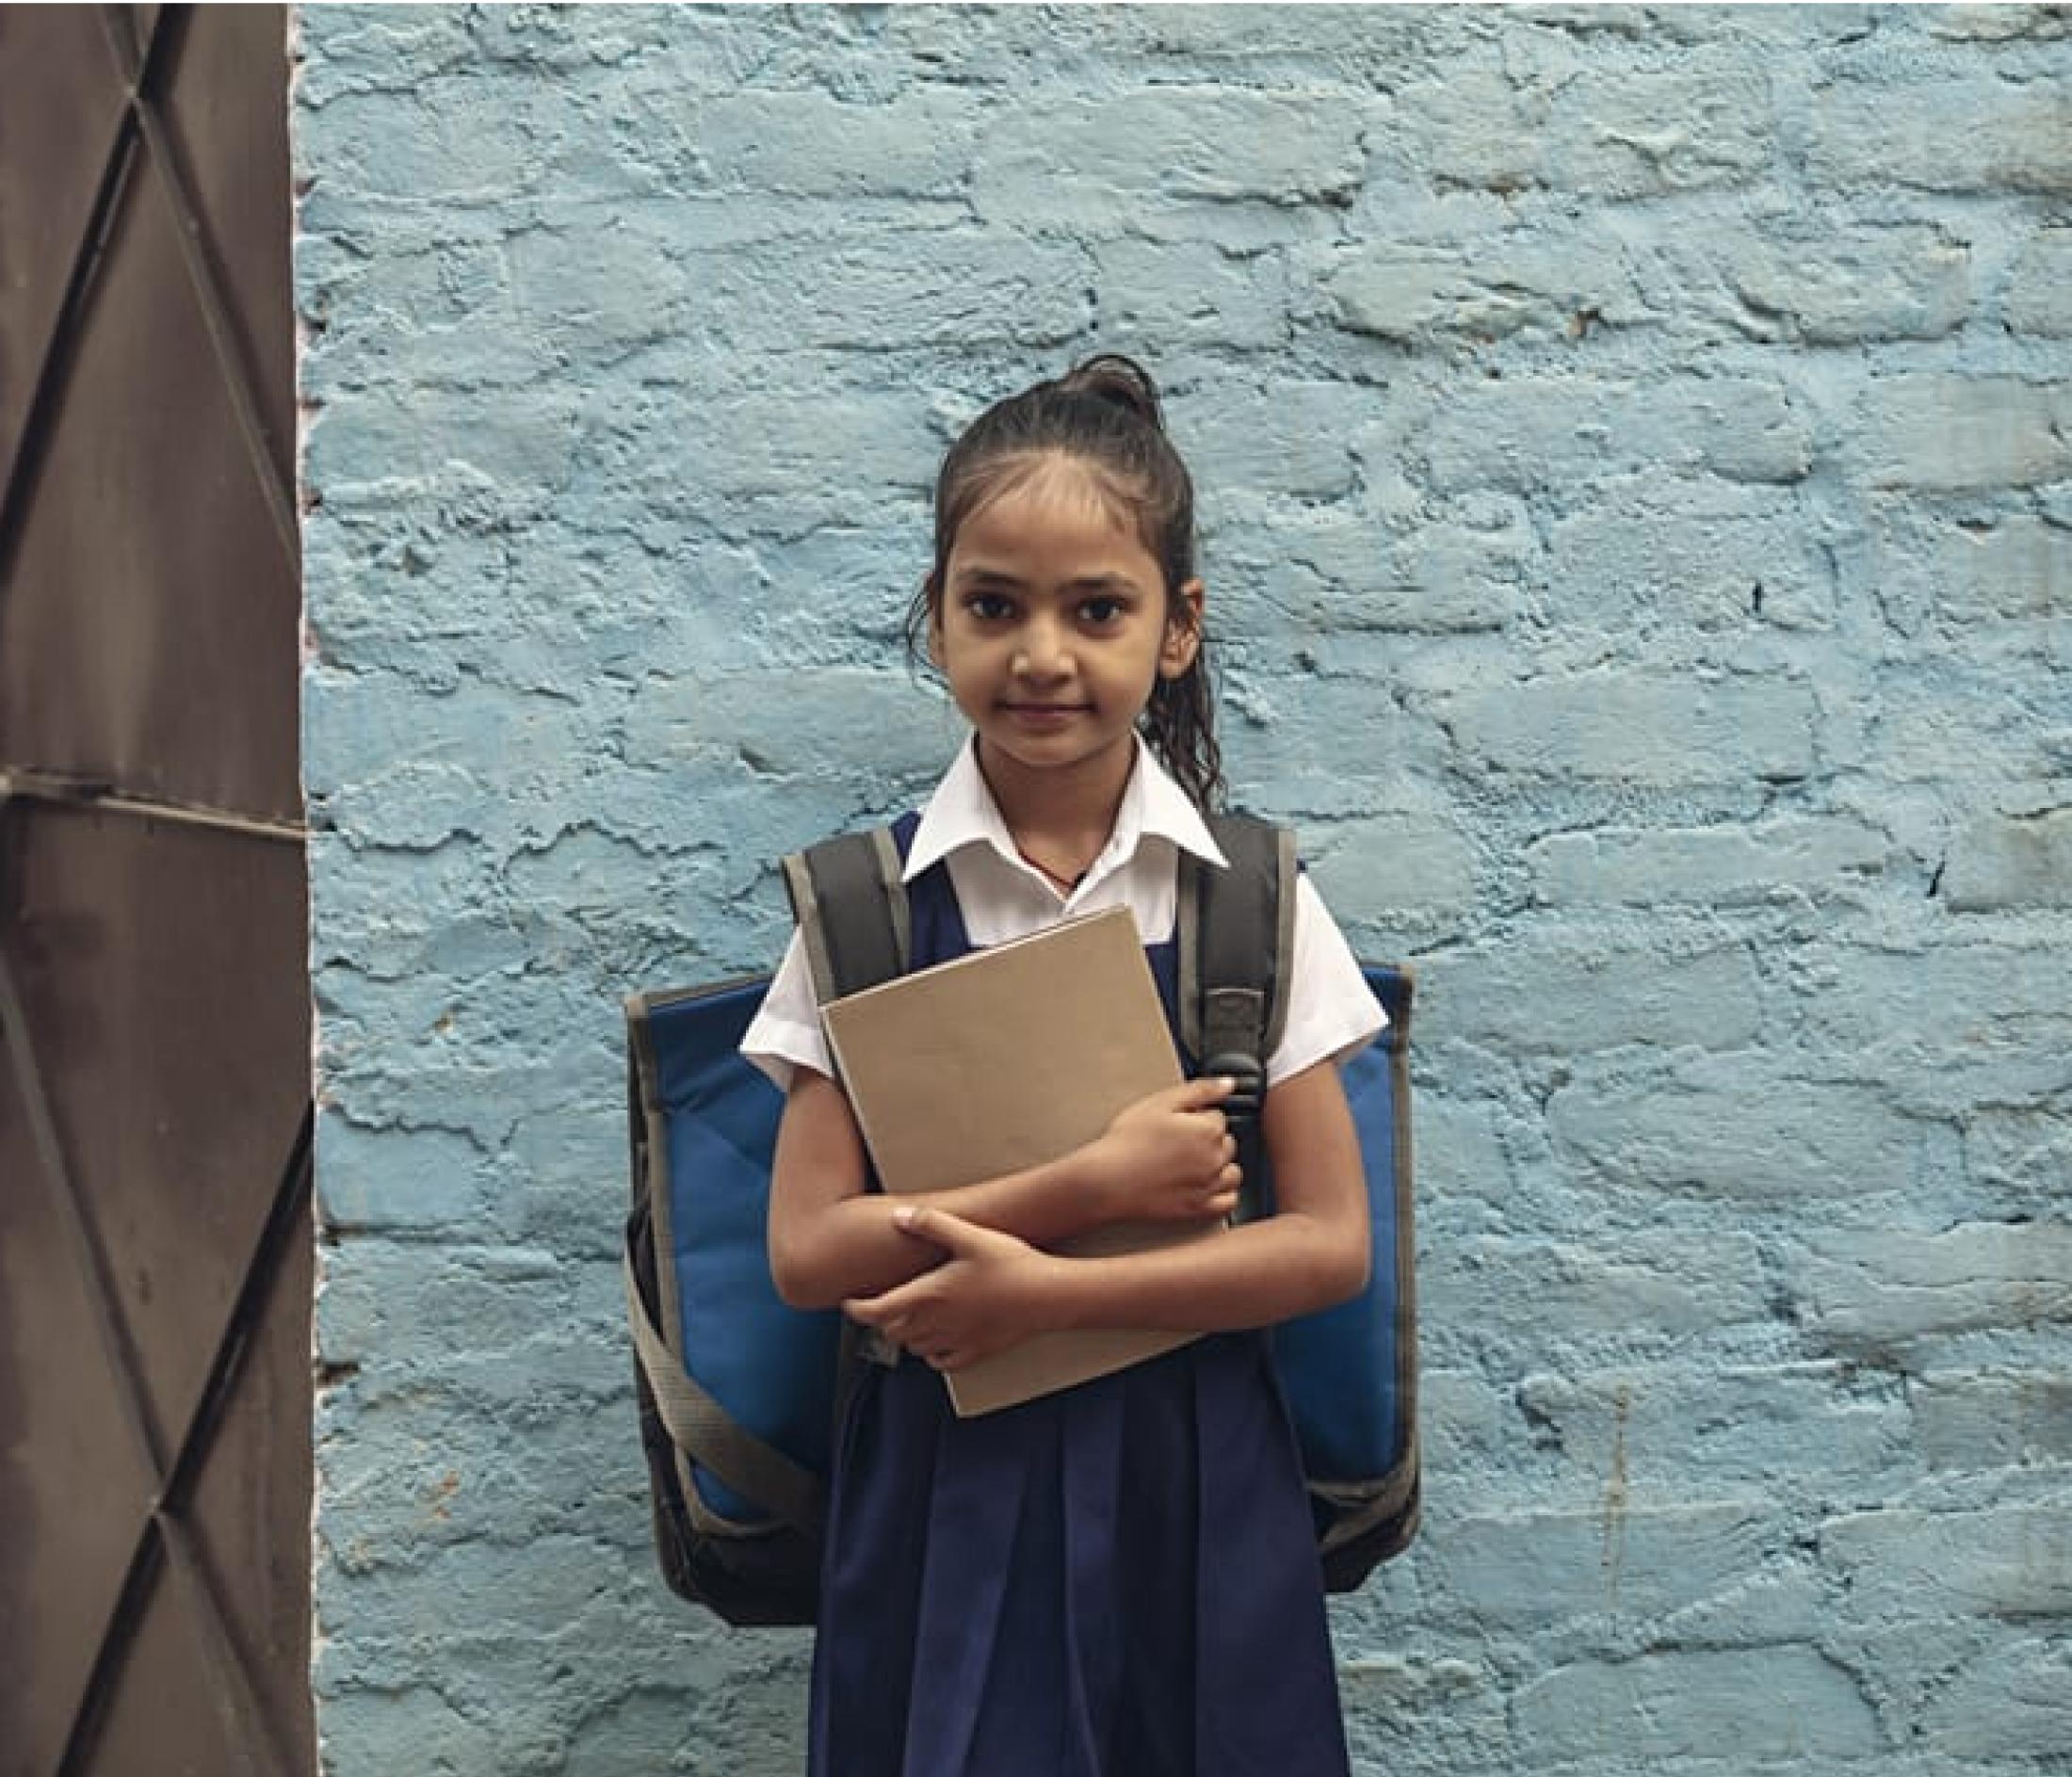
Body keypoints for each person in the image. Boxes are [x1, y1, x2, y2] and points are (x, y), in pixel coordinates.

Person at [740, 354, 1384, 1776]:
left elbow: (1333, 1247)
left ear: (1177, 629)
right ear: (937, 620)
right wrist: (1085, 1182)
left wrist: (1053, 1295)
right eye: (994, 606)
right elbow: (803, 1249)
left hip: (1198, 1484)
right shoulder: (866, 914)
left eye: (1097, 608)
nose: (1042, 655)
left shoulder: (1250, 906)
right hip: (946, 1483)